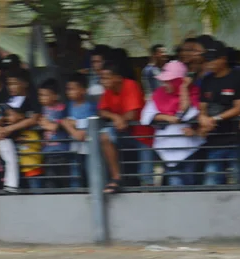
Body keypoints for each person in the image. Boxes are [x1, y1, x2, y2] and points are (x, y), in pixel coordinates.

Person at [141, 61, 204, 186]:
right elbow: (145, 117)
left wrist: (184, 89)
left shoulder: (194, 92)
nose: (165, 84)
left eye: (169, 81)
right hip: (165, 148)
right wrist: (166, 117)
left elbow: (184, 114)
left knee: (191, 185)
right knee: (175, 186)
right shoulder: (158, 93)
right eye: (164, 81)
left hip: (189, 150)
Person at [98, 63, 154, 193]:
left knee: (146, 179)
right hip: (124, 133)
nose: (103, 81)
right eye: (102, 78)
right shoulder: (108, 90)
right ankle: (116, 178)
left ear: (117, 78)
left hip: (143, 136)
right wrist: (116, 117)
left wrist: (119, 118)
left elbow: (132, 114)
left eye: (106, 78)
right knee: (105, 136)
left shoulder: (130, 85)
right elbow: (101, 111)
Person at [198, 40, 240, 186]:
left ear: (223, 59)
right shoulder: (206, 80)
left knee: (239, 182)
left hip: (233, 140)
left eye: (213, 60)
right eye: (208, 60)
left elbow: (239, 107)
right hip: (213, 142)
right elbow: (202, 108)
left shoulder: (238, 76)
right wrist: (202, 119)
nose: (210, 63)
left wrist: (215, 118)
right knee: (211, 182)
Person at [62, 73, 96, 188]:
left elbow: (90, 124)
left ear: (83, 90)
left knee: (89, 171)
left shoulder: (90, 106)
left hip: (88, 148)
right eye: (68, 89)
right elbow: (64, 121)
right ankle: (75, 192)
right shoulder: (69, 105)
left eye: (72, 89)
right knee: (75, 172)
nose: (69, 92)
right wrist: (73, 129)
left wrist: (73, 124)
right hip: (74, 147)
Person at [38, 78, 69, 189]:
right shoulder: (44, 109)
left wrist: (48, 125)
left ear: (56, 96)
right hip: (48, 152)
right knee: (50, 183)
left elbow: (55, 126)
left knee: (64, 181)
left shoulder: (62, 108)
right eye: (40, 95)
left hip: (61, 151)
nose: (42, 98)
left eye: (45, 95)